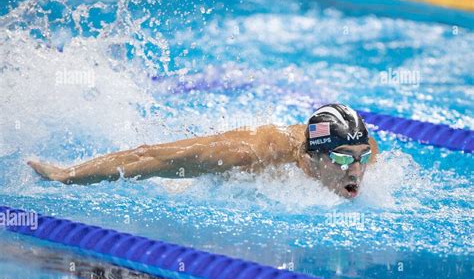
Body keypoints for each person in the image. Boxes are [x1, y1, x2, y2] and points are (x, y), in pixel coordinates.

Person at [28, 104, 378, 199]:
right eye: (345, 158)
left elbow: (359, 151)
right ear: (310, 158)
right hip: (202, 174)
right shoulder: (250, 154)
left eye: (361, 157)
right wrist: (66, 176)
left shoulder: (364, 149)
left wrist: (355, 154)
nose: (356, 171)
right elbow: (148, 157)